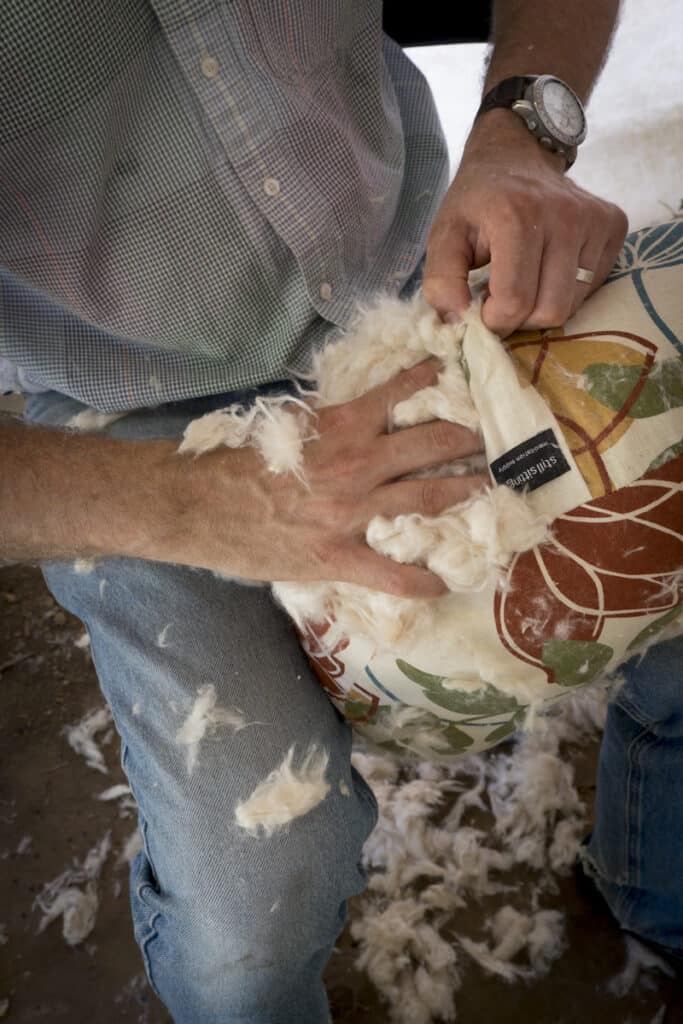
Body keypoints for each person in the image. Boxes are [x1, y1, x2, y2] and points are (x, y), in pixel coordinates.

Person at [4, 2, 679, 1021]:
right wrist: (201, 503)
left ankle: (654, 877)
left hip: (426, 268)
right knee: (252, 901)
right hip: (125, 404)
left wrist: (518, 123)